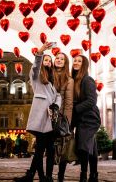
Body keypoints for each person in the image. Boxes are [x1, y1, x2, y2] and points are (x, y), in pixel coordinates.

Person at [14, 42, 61, 182]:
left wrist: (57, 105)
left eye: (49, 60)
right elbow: (35, 66)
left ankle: (37, 176)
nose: (48, 62)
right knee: (41, 148)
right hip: (41, 117)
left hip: (51, 117)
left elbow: (58, 95)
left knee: (45, 149)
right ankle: (40, 176)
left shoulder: (52, 79)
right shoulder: (36, 77)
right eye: (45, 60)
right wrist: (40, 52)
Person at [71, 55, 101, 182]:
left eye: (79, 61)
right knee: (91, 147)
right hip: (81, 118)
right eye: (75, 61)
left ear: (84, 65)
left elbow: (91, 101)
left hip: (90, 118)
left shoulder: (88, 80)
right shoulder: (74, 80)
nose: (76, 63)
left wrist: (75, 109)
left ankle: (83, 175)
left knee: (83, 146)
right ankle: (94, 175)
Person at [52, 52, 74, 182]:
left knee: (62, 148)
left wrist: (66, 122)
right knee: (48, 147)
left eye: (62, 59)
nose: (59, 60)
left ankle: (61, 175)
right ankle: (48, 175)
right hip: (47, 116)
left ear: (65, 63)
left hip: (61, 118)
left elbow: (69, 102)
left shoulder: (69, 80)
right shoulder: (48, 75)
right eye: (57, 58)